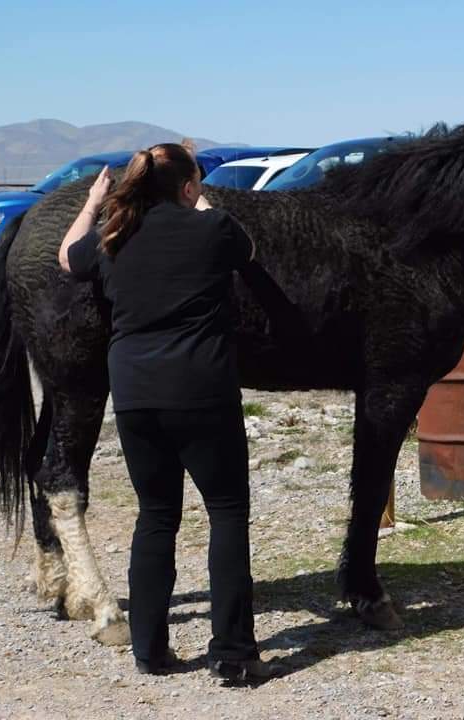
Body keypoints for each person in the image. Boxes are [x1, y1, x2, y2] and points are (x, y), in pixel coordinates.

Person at [58, 143, 277, 681]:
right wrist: (200, 203)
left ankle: (150, 651)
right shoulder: (213, 229)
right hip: (203, 391)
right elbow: (246, 251)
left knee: (156, 517)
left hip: (134, 395)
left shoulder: (113, 238)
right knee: (226, 513)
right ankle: (232, 654)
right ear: (187, 188)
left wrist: (93, 203)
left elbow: (67, 257)